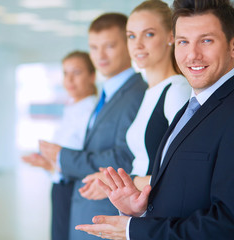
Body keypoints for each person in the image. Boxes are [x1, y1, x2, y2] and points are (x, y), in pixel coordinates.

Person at [75, 0, 234, 239]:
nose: (193, 55)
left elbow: (231, 224)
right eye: (183, 42)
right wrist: (142, 210)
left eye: (206, 40)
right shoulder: (190, 110)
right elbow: (187, 194)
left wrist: (134, 230)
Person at [39, 13, 147, 240]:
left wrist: (63, 157)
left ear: (128, 44)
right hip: (87, 211)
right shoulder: (107, 93)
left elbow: (125, 156)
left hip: (104, 213)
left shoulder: (137, 93)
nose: (101, 55)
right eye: (94, 47)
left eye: (110, 46)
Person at [78, 0, 191, 201]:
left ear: (170, 36)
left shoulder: (176, 91)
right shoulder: (151, 91)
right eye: (131, 36)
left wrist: (127, 181)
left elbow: (184, 172)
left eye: (149, 34)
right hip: (141, 207)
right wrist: (111, 179)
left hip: (162, 209)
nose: (137, 45)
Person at [22, 50, 97, 240]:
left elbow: (82, 158)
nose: (69, 80)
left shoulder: (93, 110)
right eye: (65, 73)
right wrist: (46, 163)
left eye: (77, 73)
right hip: (60, 185)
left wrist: (54, 163)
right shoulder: (72, 107)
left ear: (92, 75)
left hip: (75, 188)